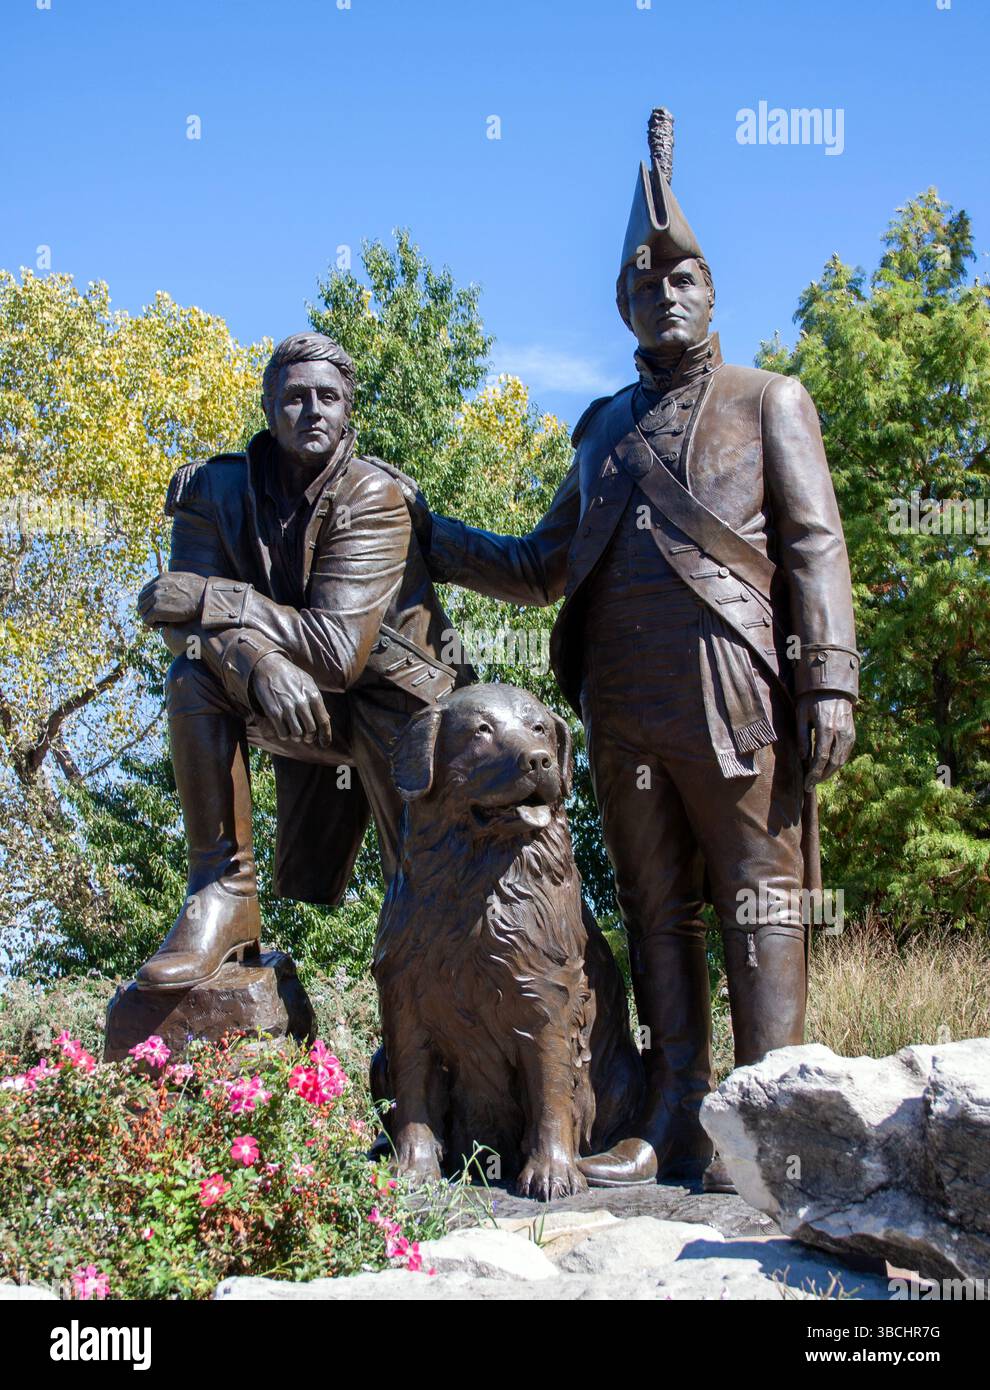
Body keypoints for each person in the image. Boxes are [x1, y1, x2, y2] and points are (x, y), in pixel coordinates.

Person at [391, 110, 859, 1191]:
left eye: (685, 278)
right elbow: (544, 561)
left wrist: (828, 678)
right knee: (658, 911)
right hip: (623, 703)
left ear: (712, 290)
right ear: (623, 306)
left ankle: (778, 1116)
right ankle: (681, 1118)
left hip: (738, 685)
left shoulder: (767, 401)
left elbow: (816, 545)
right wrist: (432, 534)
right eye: (646, 285)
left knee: (760, 897)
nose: (667, 295)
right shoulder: (601, 431)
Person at [135, 332, 472, 991]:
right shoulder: (211, 489)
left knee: (430, 901)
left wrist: (216, 596)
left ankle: (439, 1043)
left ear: (349, 410)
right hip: (295, 700)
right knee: (193, 677)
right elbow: (180, 626)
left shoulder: (371, 496)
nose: (313, 410)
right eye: (294, 397)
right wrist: (258, 665)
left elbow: (335, 652)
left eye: (328, 397)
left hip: (399, 706)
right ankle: (223, 894)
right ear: (267, 407)